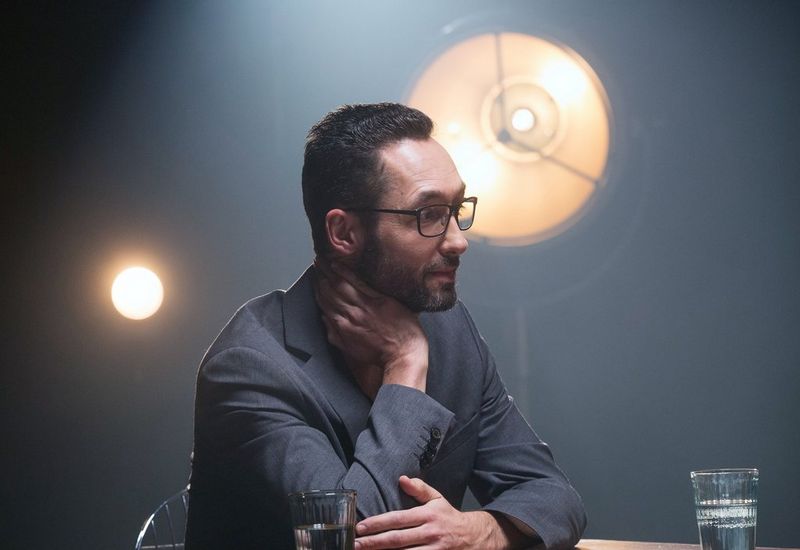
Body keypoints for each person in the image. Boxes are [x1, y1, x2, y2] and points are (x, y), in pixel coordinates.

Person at [186, 103, 586, 549]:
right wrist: (406, 364)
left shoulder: (450, 330)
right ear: (345, 233)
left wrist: (482, 532)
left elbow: (555, 497)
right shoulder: (250, 367)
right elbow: (349, 541)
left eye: (456, 209)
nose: (458, 240)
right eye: (429, 214)